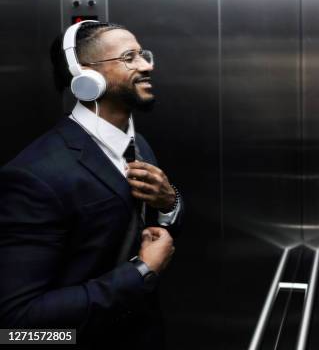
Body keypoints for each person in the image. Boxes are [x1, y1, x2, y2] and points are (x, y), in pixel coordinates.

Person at [0, 21, 183, 349]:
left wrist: (169, 206)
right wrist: (141, 272)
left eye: (144, 55)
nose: (147, 65)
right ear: (86, 76)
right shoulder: (35, 176)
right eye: (130, 57)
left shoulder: (137, 143)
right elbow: (18, 326)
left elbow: (145, 231)